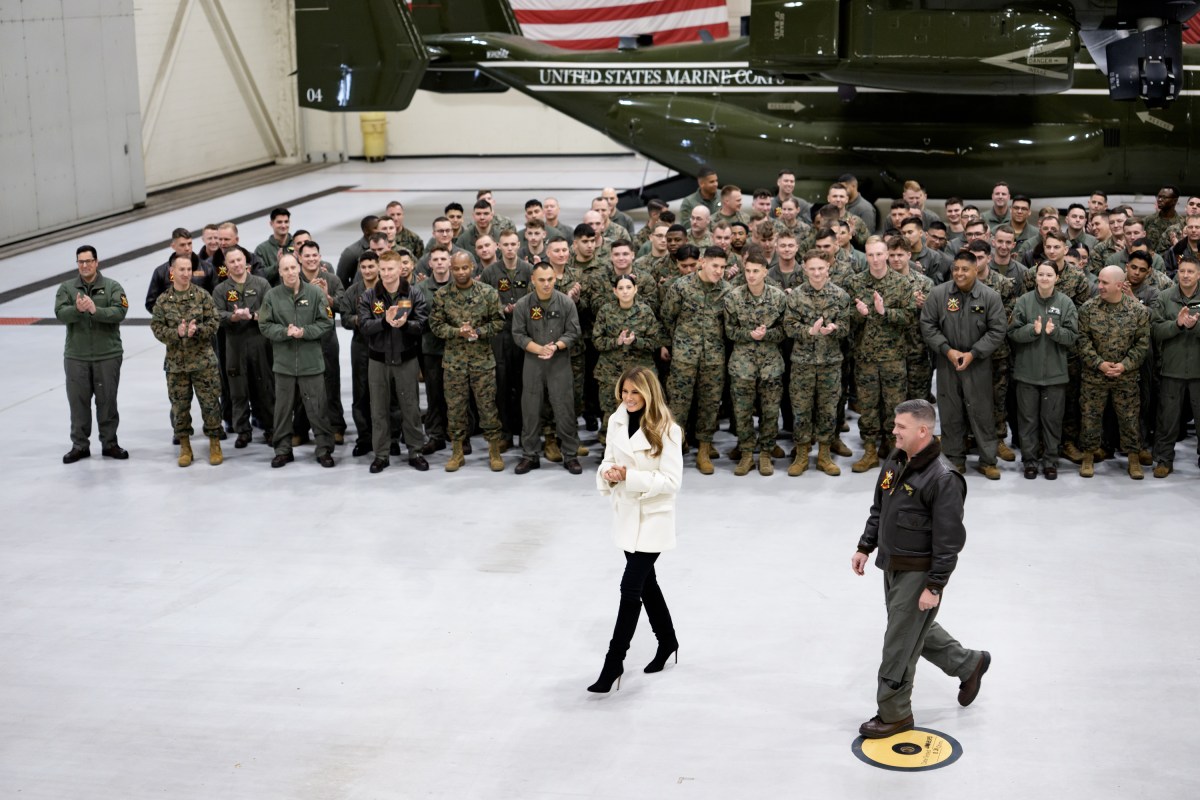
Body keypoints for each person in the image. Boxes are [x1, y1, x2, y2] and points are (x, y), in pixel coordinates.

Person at [851, 399, 990, 739]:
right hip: (892, 564)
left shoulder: (944, 478)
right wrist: (865, 546)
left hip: (918, 571)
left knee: (898, 643)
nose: (894, 431)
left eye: (901, 427)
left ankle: (895, 714)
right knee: (910, 628)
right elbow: (880, 507)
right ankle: (968, 663)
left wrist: (935, 585)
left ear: (923, 431)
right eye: (895, 425)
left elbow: (949, 540)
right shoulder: (897, 458)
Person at [590, 365, 684, 693]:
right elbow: (607, 460)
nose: (628, 398)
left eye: (635, 392)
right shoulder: (617, 420)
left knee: (630, 588)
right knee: (647, 585)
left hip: (653, 518)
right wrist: (609, 473)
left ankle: (613, 662)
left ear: (649, 393)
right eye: (624, 391)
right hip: (627, 515)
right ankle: (668, 641)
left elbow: (671, 481)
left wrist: (629, 477)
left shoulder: (668, 429)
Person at [920, 251, 1008, 478]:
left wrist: (974, 353)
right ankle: (954, 459)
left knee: (982, 412)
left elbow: (998, 330)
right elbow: (928, 325)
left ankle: (988, 460)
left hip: (978, 365)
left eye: (965, 269)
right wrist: (947, 350)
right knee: (950, 412)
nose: (959, 273)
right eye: (956, 269)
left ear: (976, 270)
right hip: (947, 363)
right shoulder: (938, 294)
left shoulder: (990, 297)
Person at [429, 251, 507, 472]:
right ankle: (457, 452)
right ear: (451, 269)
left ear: (473, 267)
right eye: (456, 268)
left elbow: (499, 322)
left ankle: (494, 450)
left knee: (488, 407)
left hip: (482, 361)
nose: (461, 272)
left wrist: (478, 331)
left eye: (465, 267)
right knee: (455, 409)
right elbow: (435, 325)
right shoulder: (442, 295)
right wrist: (457, 332)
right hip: (454, 363)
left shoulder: (487, 293)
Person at [259, 254, 335, 468]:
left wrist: (305, 332)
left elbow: (326, 322)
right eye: (286, 269)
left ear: (299, 268)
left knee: (318, 409)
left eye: (293, 267)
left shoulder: (315, 293)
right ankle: (283, 450)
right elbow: (264, 325)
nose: (290, 272)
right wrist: (285, 332)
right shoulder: (272, 296)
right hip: (283, 365)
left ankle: (324, 449)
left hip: (311, 363)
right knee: (283, 411)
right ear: (280, 272)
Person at [55, 245, 129, 463]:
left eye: (88, 261)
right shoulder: (67, 288)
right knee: (78, 403)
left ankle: (110, 443)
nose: (85, 265)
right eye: (81, 262)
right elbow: (60, 313)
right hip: (76, 356)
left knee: (107, 402)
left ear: (97, 262)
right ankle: (80, 445)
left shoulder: (113, 286)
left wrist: (95, 310)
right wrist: (77, 309)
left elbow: (120, 311)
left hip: (107, 354)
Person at [1076, 266, 1151, 479]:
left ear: (1119, 285)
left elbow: (1142, 344)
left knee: (1130, 418)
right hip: (1094, 376)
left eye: (1104, 283)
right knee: (1090, 417)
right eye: (1099, 281)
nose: (1099, 286)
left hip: (1126, 376)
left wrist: (1124, 365)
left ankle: (1133, 458)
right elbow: (1082, 340)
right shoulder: (1088, 309)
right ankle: (1088, 456)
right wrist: (1099, 363)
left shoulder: (1138, 311)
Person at [150, 253, 224, 467]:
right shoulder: (163, 300)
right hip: (177, 365)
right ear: (171, 272)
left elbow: (214, 322)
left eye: (189, 269)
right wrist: (177, 333)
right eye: (181, 269)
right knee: (180, 407)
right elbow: (157, 328)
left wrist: (197, 331)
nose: (185, 273)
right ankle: (185, 446)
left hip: (203, 363)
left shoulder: (202, 296)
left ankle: (214, 443)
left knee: (210, 404)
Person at [358, 251, 429, 472]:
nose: (387, 273)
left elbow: (423, 325)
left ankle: (415, 451)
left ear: (400, 269)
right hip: (378, 362)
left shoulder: (414, 294)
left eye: (391, 269)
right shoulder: (369, 296)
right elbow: (364, 326)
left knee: (411, 408)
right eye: (383, 269)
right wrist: (385, 322)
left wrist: (405, 325)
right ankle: (381, 454)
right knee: (378, 410)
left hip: (406, 360)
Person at [1008, 262, 1079, 479]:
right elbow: (1013, 333)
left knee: (1052, 421)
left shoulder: (1066, 303)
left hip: (1055, 376)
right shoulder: (1024, 301)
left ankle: (1050, 461)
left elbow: (1072, 337)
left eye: (1049, 275)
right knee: (1028, 421)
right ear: (1035, 277)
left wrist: (1054, 332)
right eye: (1041, 274)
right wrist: (1033, 330)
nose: (1045, 278)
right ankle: (1029, 461)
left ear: (1057, 278)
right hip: (1027, 374)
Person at [512, 261, 583, 474]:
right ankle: (530, 455)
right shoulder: (523, 304)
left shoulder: (566, 303)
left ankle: (570, 455)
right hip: (533, 362)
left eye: (550, 279)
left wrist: (555, 347)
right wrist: (539, 349)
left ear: (555, 279)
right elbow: (518, 334)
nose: (546, 284)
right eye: (541, 280)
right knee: (530, 409)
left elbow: (573, 332)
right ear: (533, 280)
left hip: (559, 361)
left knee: (564, 408)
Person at [212, 248, 275, 449]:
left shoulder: (261, 284)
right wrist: (233, 317)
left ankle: (270, 428)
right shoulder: (221, 289)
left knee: (265, 388)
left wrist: (254, 316)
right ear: (226, 265)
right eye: (232, 261)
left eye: (239, 260)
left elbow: (271, 309)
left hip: (260, 343)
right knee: (237, 390)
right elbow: (216, 314)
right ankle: (242, 431)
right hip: (234, 345)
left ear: (246, 262)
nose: (236, 264)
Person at [1150, 256, 1200, 476]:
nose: (1185, 275)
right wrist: (1177, 324)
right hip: (1172, 369)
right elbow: (1155, 330)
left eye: (1190, 271)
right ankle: (1163, 459)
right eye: (1182, 271)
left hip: (1198, 371)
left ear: (1198, 274)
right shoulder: (1165, 297)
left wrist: (1195, 326)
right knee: (1167, 419)